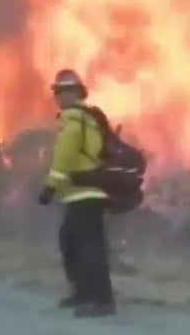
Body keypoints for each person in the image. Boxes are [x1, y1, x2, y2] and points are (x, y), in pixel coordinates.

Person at [37, 69, 116, 318]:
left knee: (89, 248)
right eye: (57, 92)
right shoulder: (86, 116)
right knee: (70, 241)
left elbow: (66, 153)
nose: (58, 97)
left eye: (61, 92)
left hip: (86, 193)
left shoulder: (73, 116)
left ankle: (101, 301)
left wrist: (50, 186)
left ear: (73, 93)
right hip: (82, 193)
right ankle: (83, 293)